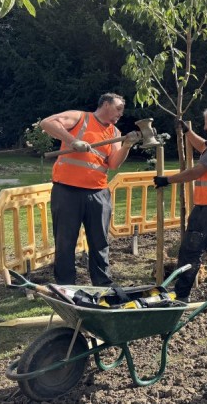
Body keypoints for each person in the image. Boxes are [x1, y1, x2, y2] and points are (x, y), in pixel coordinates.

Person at [40, 93, 140, 286]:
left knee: (100, 241)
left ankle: (102, 284)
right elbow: (47, 123)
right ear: (105, 104)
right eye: (118, 108)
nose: (120, 113)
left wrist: (126, 146)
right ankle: (66, 285)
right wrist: (72, 141)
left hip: (98, 192)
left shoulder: (115, 133)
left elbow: (113, 164)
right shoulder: (81, 118)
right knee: (65, 241)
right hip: (67, 191)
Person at [153, 107, 207, 302]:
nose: (205, 127)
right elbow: (204, 147)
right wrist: (187, 131)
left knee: (191, 249)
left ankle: (181, 295)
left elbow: (196, 172)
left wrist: (167, 180)